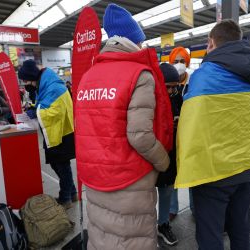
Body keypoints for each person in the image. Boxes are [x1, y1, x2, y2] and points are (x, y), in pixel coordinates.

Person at [175, 20, 250, 250]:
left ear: (211, 42)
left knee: (210, 233)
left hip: (212, 171)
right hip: (246, 167)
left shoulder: (204, 75)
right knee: (241, 226)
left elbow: (191, 125)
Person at [75, 4, 172, 250]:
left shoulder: (88, 76)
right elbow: (140, 136)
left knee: (102, 234)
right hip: (129, 178)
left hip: (95, 176)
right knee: (131, 239)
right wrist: (163, 161)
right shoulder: (140, 74)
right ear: (134, 39)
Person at [18, 59, 77, 208]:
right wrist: (33, 108)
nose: (25, 84)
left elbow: (55, 112)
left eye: (25, 80)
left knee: (62, 166)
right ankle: (72, 193)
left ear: (32, 77)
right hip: (53, 131)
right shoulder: (45, 85)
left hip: (62, 132)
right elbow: (44, 104)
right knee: (57, 165)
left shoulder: (54, 87)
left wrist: (36, 113)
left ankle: (65, 199)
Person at [156, 63, 182, 246]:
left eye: (175, 86)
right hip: (151, 155)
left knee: (166, 191)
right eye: (168, 86)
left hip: (171, 154)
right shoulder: (148, 98)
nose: (172, 90)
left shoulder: (177, 98)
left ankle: (163, 224)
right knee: (146, 195)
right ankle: (145, 226)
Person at [168, 46, 194, 220]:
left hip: (190, 135)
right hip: (172, 135)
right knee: (171, 172)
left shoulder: (194, 83)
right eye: (175, 61)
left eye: (182, 61)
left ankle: (195, 206)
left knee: (192, 171)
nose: (179, 64)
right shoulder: (166, 83)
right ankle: (172, 208)